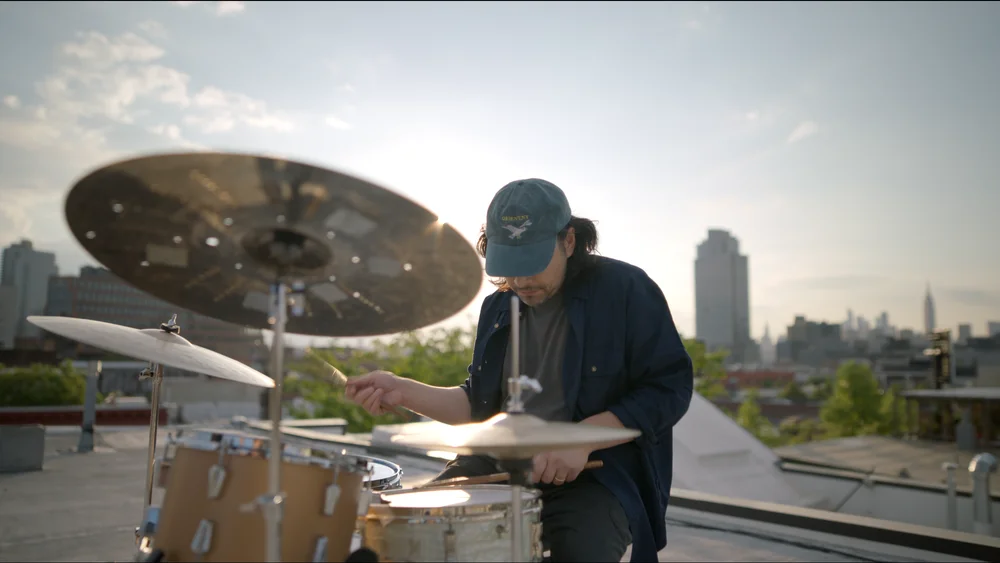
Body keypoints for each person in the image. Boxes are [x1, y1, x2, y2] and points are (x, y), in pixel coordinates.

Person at [345, 178, 694, 563]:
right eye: (510, 267)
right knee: (416, 529)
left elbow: (669, 389)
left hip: (598, 475)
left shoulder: (626, 289)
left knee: (579, 552)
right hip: (496, 463)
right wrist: (403, 390)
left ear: (569, 241)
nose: (521, 282)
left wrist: (582, 439)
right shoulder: (498, 307)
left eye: (532, 264)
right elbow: (479, 406)